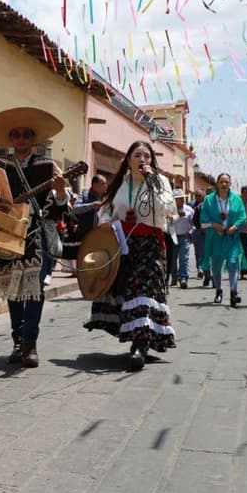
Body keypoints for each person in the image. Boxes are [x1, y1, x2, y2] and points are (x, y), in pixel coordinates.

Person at [0, 107, 68, 368]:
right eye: (15, 135)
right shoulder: (0, 167)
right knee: (12, 289)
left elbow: (60, 208)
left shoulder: (47, 166)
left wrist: (61, 191)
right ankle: (18, 341)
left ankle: (30, 343)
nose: (20, 139)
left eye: (26, 134)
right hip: (5, 234)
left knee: (35, 289)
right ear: (11, 139)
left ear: (33, 139)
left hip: (35, 237)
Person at [84, 141, 177, 371]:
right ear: (128, 159)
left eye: (147, 155)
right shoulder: (120, 184)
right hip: (122, 243)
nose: (142, 159)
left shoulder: (160, 182)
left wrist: (152, 181)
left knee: (144, 289)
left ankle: (140, 344)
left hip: (151, 244)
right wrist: (106, 227)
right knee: (126, 288)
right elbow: (106, 210)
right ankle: (134, 335)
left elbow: (168, 208)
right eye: (137, 155)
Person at [198, 173, 247, 307]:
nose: (224, 184)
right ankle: (218, 291)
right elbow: (203, 220)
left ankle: (233, 293)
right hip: (216, 238)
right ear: (217, 184)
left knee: (232, 263)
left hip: (232, 238)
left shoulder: (237, 199)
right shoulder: (209, 200)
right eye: (221, 182)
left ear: (230, 184)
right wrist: (214, 225)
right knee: (217, 266)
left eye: (226, 182)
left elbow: (243, 217)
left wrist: (235, 226)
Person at [171, 189, 195, 289]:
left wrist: (189, 232)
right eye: (179, 198)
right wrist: (176, 216)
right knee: (172, 259)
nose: (181, 200)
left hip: (184, 237)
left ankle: (183, 278)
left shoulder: (189, 210)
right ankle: (174, 277)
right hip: (172, 237)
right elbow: (166, 222)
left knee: (184, 258)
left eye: (182, 198)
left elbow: (194, 225)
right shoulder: (170, 210)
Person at [191, 189, 209, 285]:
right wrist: (200, 228)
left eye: (199, 196)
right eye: (196, 196)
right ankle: (202, 272)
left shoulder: (210, 205)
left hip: (210, 233)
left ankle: (209, 275)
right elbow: (194, 220)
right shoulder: (193, 205)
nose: (197, 198)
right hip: (198, 232)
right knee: (199, 253)